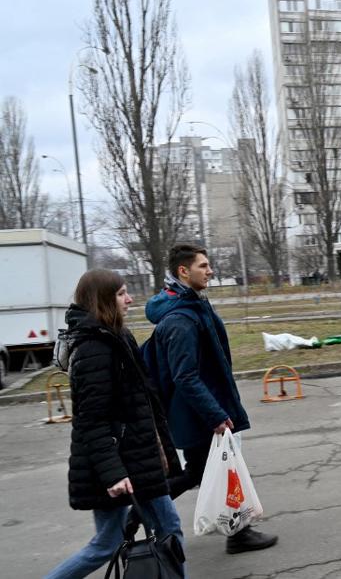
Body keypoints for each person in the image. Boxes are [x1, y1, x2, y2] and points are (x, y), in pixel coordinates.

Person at [46, 270, 184, 578]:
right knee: (120, 541)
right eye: (121, 294)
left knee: (156, 532)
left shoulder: (117, 336)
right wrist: (114, 474)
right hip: (119, 464)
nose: (130, 299)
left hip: (137, 457)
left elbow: (142, 401)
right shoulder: (94, 348)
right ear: (103, 300)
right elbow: (90, 422)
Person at [145, 244, 278, 554]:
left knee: (199, 471)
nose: (210, 271)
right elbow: (185, 376)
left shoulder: (192, 303)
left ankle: (237, 533)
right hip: (197, 413)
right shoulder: (180, 319)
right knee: (212, 470)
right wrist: (215, 414)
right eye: (203, 266)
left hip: (200, 409)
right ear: (183, 271)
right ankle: (140, 511)